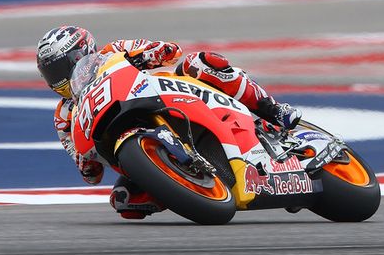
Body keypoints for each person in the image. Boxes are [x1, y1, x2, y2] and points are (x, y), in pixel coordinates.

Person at [36, 25, 301, 219]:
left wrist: (146, 55)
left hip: (167, 95)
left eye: (62, 67)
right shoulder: (64, 116)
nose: (60, 78)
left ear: (83, 52)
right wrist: (84, 161)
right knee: (125, 201)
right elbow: (90, 174)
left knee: (202, 63)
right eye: (52, 72)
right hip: (127, 138)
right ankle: (190, 186)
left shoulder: (113, 51)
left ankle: (273, 110)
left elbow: (171, 51)